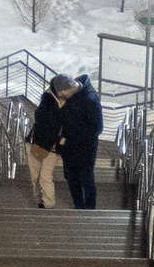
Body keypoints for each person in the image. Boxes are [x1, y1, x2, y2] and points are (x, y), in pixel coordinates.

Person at [54, 73, 104, 210]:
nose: (61, 96)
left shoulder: (90, 99)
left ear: (70, 88)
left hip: (85, 148)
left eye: (62, 93)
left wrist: (76, 139)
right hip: (69, 147)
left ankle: (89, 209)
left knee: (86, 177)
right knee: (71, 177)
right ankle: (79, 207)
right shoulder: (71, 96)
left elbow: (97, 128)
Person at [25, 82, 64, 208]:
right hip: (35, 144)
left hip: (52, 148)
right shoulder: (46, 104)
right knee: (35, 178)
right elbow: (39, 122)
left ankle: (49, 205)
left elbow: (66, 130)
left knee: (45, 177)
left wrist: (61, 144)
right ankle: (39, 202)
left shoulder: (68, 108)